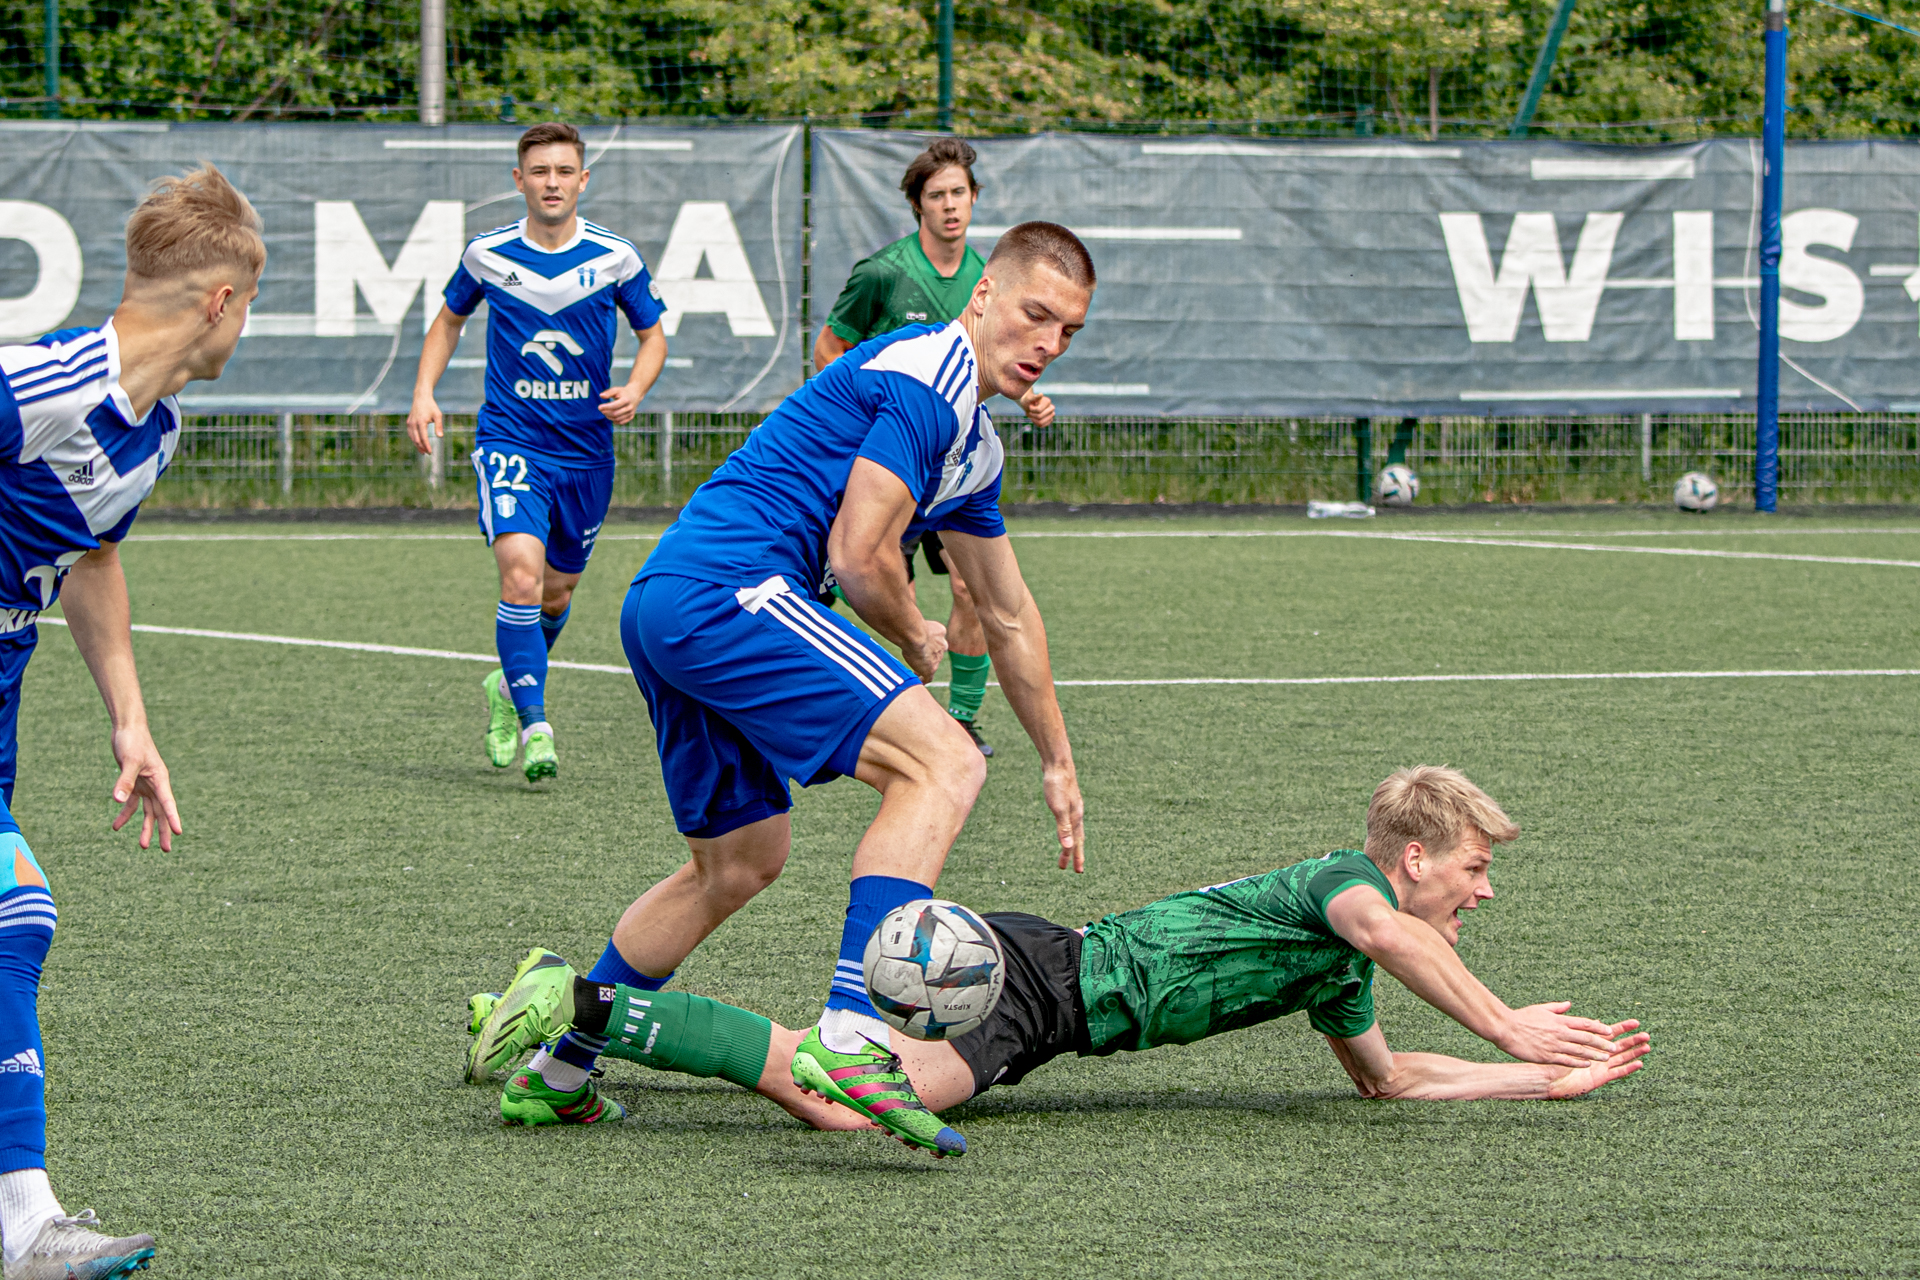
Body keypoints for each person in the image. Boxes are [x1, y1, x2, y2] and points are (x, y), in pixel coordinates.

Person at [468, 222, 1097, 1157]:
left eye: (1068, 331)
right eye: (1035, 313)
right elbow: (859, 553)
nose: (1047, 343)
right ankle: (850, 1035)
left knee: (738, 864)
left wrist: (1057, 758)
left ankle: (560, 1071)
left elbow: (1007, 614)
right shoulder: (930, 375)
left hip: (672, 603)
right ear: (983, 295)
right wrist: (912, 632)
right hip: (727, 589)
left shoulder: (973, 447)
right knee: (945, 763)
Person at [466, 768, 1648, 1148]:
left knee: (833, 1077)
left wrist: (1538, 1077)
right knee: (839, 1099)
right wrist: (1507, 1019)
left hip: (1048, 1003)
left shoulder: (1341, 964)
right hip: (1035, 980)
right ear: (1412, 856)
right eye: (1474, 867)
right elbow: (1389, 932)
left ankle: (574, 1034)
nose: (1483, 888)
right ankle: (585, 1005)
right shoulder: (1347, 886)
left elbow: (1388, 1079)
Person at [0, 163, 263, 1278]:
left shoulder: (154, 433)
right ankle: (23, 1225)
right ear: (220, 300)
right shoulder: (34, 381)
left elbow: (92, 555)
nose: (244, 327)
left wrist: (131, 721)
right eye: (248, 306)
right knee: (15, 912)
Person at [408, 121, 669, 783]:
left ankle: (506, 683)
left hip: (587, 453)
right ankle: (536, 724)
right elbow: (448, 322)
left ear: (583, 180)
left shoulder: (616, 257)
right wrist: (424, 393)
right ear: (518, 180)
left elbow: (653, 337)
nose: (552, 183)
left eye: (564, 171)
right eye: (540, 171)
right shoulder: (486, 254)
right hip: (511, 441)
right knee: (520, 578)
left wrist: (636, 388)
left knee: (556, 595)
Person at [813, 138, 1058, 759]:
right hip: (892, 456)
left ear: (974, 199)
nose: (950, 205)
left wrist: (1029, 398)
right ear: (918, 205)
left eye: (959, 193)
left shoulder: (991, 280)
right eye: (936, 195)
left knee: (975, 589)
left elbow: (992, 368)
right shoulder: (882, 273)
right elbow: (830, 350)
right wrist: (849, 419)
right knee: (855, 572)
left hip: (953, 466)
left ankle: (963, 717)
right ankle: (859, 702)